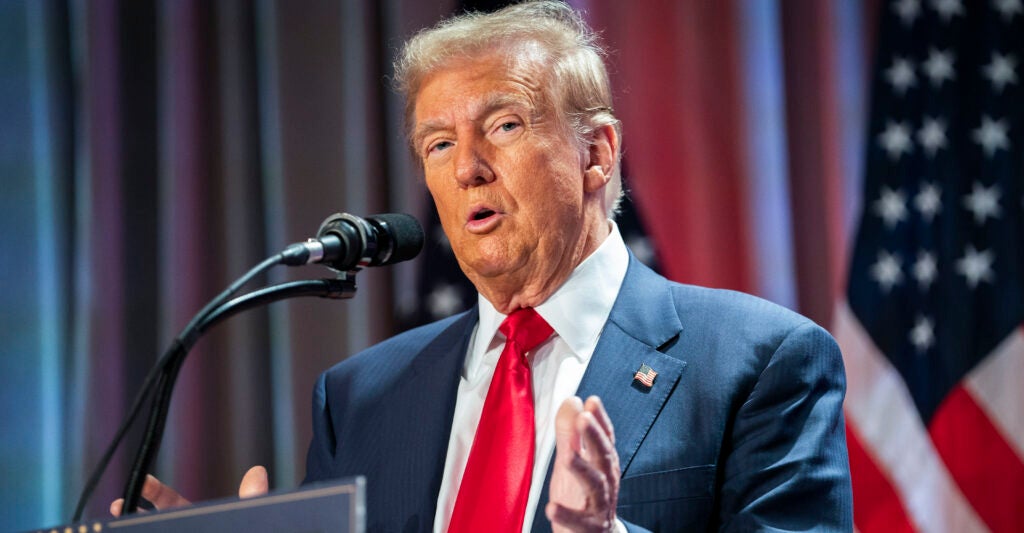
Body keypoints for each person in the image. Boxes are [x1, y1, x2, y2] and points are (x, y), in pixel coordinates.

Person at [113, 1, 853, 531]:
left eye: (503, 125)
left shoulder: (758, 363)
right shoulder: (359, 399)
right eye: (437, 144)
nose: (467, 167)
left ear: (596, 153)